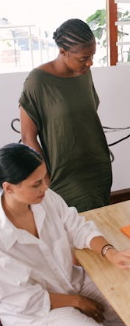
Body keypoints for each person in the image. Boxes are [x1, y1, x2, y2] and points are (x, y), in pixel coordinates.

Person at [0, 143, 130, 326]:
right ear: (9, 188)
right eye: (37, 184)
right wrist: (78, 301)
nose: (46, 187)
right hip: (36, 312)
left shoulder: (45, 198)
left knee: (129, 304)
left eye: (45, 178)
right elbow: (26, 300)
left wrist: (110, 252)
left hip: (72, 282)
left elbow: (77, 228)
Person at [19, 18, 112, 212]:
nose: (90, 62)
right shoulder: (37, 81)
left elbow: (87, 116)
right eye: (83, 58)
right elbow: (28, 136)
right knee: (74, 228)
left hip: (97, 165)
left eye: (92, 55)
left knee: (101, 222)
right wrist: (44, 174)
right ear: (63, 52)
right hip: (65, 173)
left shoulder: (84, 72)